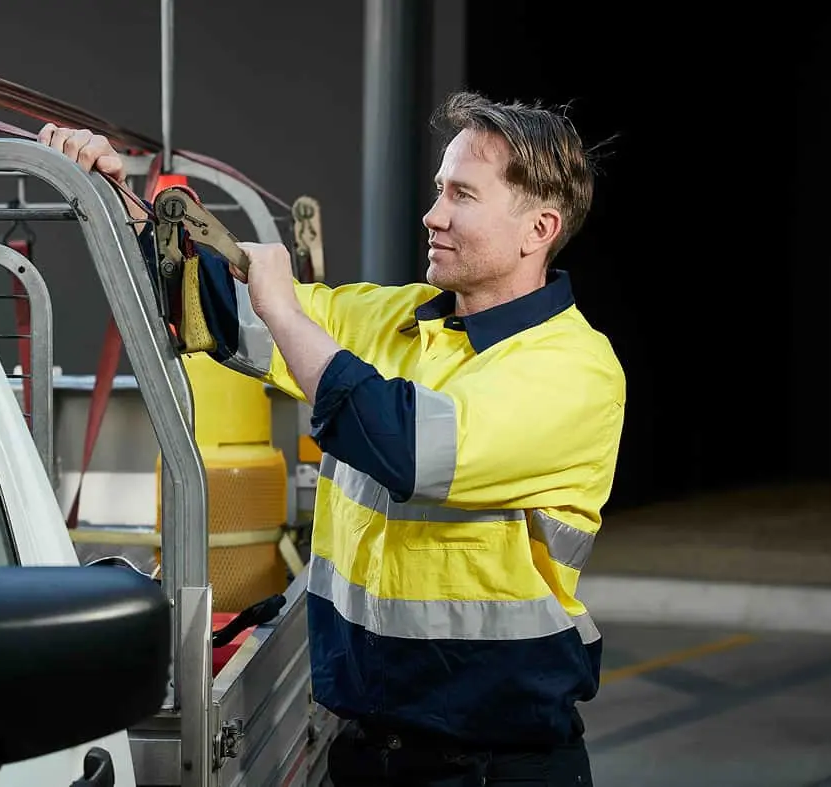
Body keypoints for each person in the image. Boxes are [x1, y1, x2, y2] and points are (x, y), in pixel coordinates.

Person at [39, 90, 625, 786]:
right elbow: (224, 315)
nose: (432, 214)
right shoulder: (398, 319)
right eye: (439, 190)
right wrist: (122, 202)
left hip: (493, 767)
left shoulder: (572, 370)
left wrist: (287, 310)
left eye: (462, 195)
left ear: (539, 228)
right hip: (367, 752)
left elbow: (402, 444)